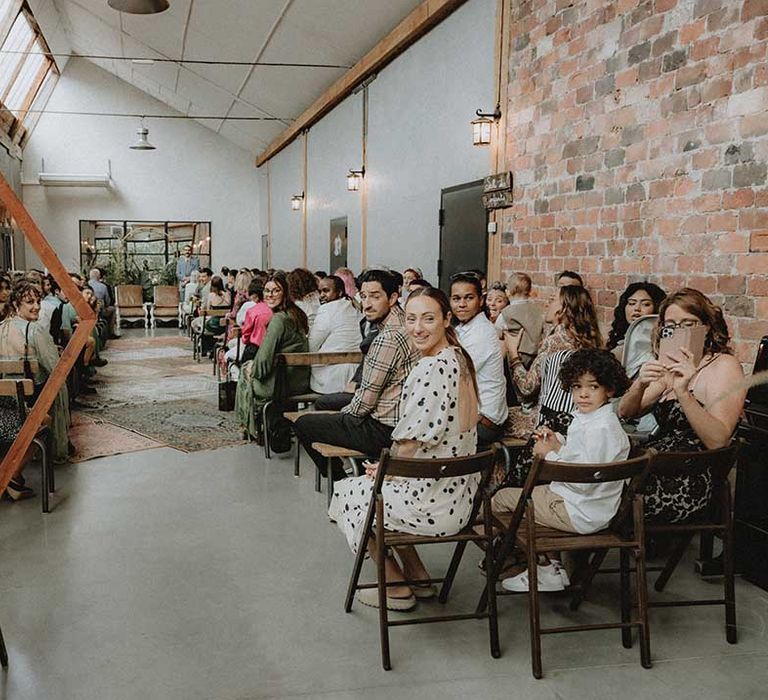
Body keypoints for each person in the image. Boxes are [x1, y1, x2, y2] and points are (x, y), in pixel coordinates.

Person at [328, 287, 480, 610]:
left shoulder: (430, 369)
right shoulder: (459, 358)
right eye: (411, 319)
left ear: (446, 319)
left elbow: (411, 442)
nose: (417, 328)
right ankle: (419, 576)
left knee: (347, 493)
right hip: (458, 493)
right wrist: (389, 470)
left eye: (428, 319)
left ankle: (396, 587)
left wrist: (385, 471)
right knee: (373, 484)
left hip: (433, 503)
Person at [494, 349, 631, 592]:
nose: (583, 394)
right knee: (532, 493)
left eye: (593, 387)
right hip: (589, 506)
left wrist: (547, 456)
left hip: (578, 509)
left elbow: (581, 479)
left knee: (501, 499)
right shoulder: (595, 420)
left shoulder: (600, 430)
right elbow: (584, 462)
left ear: (609, 389)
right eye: (577, 387)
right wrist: (557, 443)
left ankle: (545, 565)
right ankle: (551, 562)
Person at [619, 288, 746, 523]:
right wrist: (640, 384)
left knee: (595, 497)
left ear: (707, 326)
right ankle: (555, 557)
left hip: (689, 479)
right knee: (584, 486)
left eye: (688, 324)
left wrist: (683, 392)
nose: (679, 332)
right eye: (671, 325)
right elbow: (626, 412)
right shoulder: (669, 363)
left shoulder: (724, 366)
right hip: (654, 466)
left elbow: (718, 440)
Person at [293, 269, 419, 480]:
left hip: (385, 428)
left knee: (304, 424)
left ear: (394, 297)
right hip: (401, 418)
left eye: (375, 296)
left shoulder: (388, 337)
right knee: (327, 407)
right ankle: (359, 472)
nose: (367, 304)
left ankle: (341, 482)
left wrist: (341, 416)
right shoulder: (402, 323)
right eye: (363, 295)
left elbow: (364, 404)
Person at [501, 285, 603, 486]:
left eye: (553, 299)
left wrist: (513, 354)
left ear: (563, 309)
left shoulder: (556, 340)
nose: (548, 302)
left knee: (497, 418)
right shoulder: (593, 340)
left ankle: (501, 489)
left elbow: (527, 387)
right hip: (578, 420)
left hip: (549, 421)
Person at [0, 279, 70, 464]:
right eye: (30, 302)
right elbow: (56, 369)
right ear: (16, 304)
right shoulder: (35, 330)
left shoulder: (2, 328)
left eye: (38, 301)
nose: (37, 307)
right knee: (57, 385)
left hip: (5, 401)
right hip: (29, 403)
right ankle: (55, 449)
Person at [235, 273, 309, 441]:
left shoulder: (279, 320)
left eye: (276, 290)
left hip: (281, 385)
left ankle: (250, 428)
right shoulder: (296, 314)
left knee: (246, 371)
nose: (270, 295)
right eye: (267, 291)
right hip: (300, 379)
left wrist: (250, 370)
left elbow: (262, 364)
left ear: (285, 292)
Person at [450, 272, 508, 448]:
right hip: (469, 416)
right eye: (456, 298)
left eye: (469, 298)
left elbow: (453, 375)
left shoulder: (481, 332)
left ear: (480, 301)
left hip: (484, 423)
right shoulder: (463, 328)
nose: (462, 304)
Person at [309, 275, 361, 394]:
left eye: (326, 291)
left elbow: (312, 345)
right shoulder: (354, 307)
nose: (322, 295)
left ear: (339, 292)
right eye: (320, 291)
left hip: (332, 376)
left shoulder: (327, 309)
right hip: (355, 374)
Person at [495, 272, 545, 370]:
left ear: (508, 292)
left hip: (517, 352)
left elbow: (497, 331)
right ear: (530, 291)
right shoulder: (538, 310)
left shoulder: (506, 312)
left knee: (516, 376)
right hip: (537, 352)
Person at [606, 281, 667, 356]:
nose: (637, 308)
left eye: (646, 304)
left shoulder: (662, 345)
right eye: (632, 303)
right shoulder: (619, 342)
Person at [234, 280, 273, 364]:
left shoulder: (252, 311)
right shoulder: (274, 309)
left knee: (244, 366)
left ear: (255, 296)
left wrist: (245, 340)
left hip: (256, 347)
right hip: (273, 347)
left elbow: (246, 332)